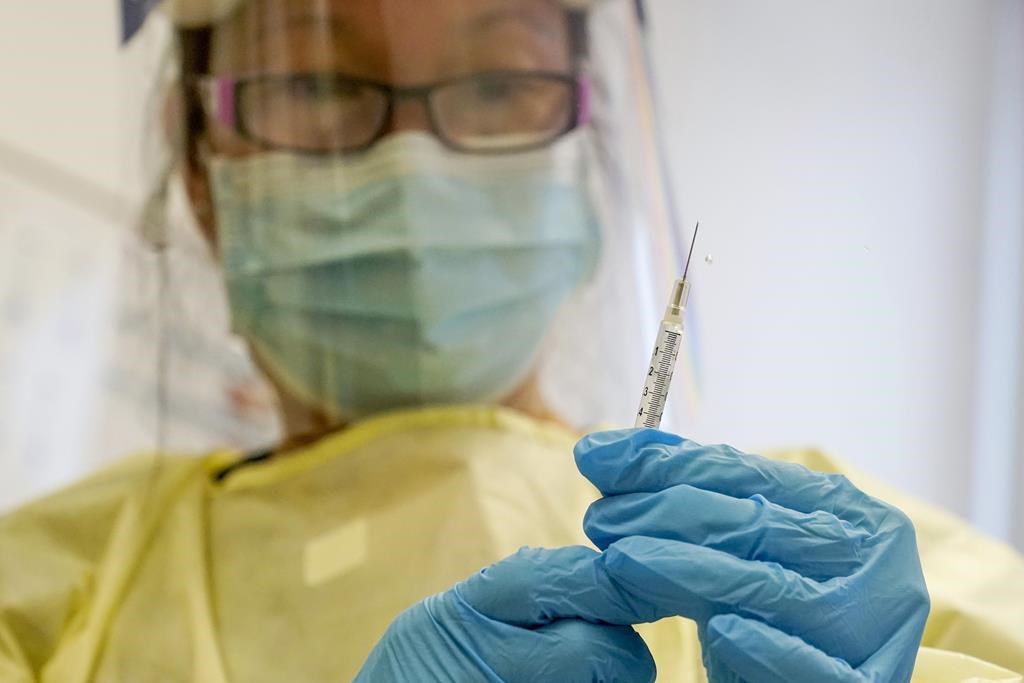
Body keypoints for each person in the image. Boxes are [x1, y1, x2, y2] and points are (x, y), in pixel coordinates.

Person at [1, 0, 1022, 681]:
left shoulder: (829, 562)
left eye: (497, 84)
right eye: (315, 85)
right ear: (200, 178)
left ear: (585, 164)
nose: (414, 163)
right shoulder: (50, 589)